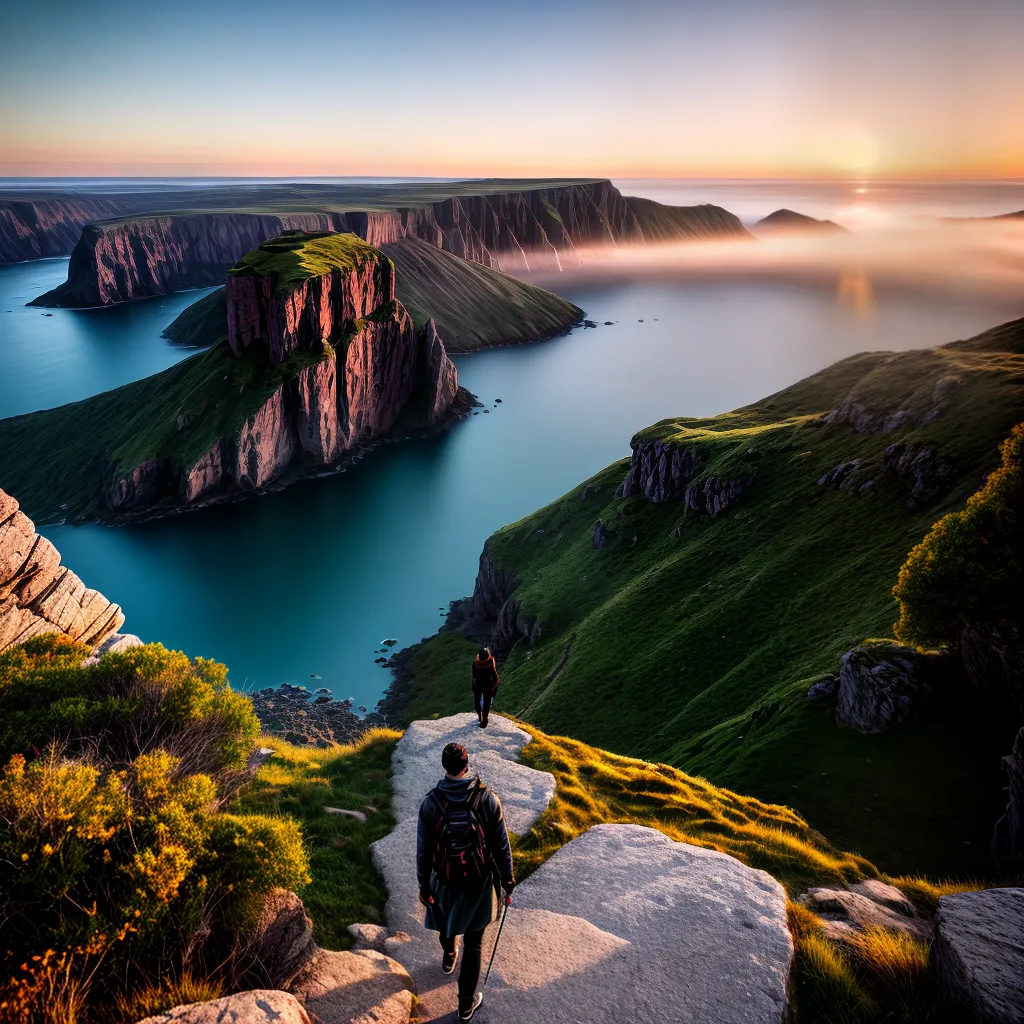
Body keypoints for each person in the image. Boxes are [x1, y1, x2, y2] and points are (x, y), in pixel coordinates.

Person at [417, 741, 515, 1021]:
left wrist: (424, 885)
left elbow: (423, 851)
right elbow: (501, 846)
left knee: (446, 923)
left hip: (445, 881)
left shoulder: (430, 804)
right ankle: (465, 1005)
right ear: (466, 764)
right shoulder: (487, 799)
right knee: (474, 945)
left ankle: (449, 955)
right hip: (480, 884)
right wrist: (508, 880)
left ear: (444, 766)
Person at [471, 647, 500, 728]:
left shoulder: (475, 663)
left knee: (477, 701)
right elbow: (495, 677)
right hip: (488, 685)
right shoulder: (490, 662)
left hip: (477, 684)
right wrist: (493, 687)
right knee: (486, 703)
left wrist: (473, 686)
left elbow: (474, 676)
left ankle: (480, 717)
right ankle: (485, 719)